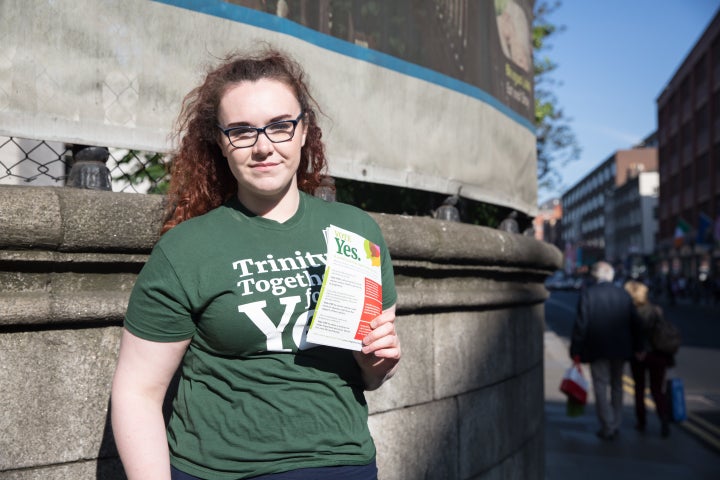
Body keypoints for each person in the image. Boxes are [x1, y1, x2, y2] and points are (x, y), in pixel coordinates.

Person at [111, 48, 401, 480]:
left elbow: (371, 376)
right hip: (223, 470)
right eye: (242, 131)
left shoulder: (357, 231)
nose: (264, 146)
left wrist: (376, 364)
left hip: (343, 464)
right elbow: (137, 392)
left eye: (280, 126)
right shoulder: (186, 249)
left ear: (304, 131)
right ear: (221, 143)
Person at [570, 261, 642, 441]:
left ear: (595, 276)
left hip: (597, 348)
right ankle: (616, 422)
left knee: (600, 385)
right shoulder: (623, 294)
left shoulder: (589, 293)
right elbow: (636, 323)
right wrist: (639, 347)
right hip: (621, 349)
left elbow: (581, 325)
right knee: (617, 385)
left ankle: (608, 424)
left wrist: (575, 350)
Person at [624, 280, 673, 437]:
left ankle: (641, 421)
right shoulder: (656, 310)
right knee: (658, 390)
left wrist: (638, 349)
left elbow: (633, 334)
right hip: (658, 355)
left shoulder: (631, 311)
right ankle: (664, 419)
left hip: (639, 355)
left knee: (639, 389)